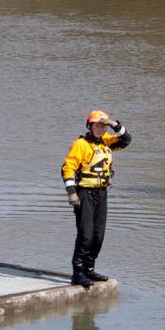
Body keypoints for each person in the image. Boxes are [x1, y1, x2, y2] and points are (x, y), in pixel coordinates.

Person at [60, 110, 131, 288]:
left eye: (102, 126)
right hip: (84, 193)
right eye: (96, 125)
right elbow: (67, 168)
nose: (99, 129)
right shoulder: (80, 144)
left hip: (101, 193)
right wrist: (71, 192)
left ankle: (89, 269)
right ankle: (77, 273)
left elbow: (126, 140)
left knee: (98, 235)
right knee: (86, 234)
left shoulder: (107, 142)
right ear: (89, 126)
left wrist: (114, 124)